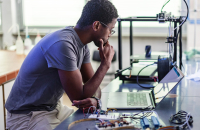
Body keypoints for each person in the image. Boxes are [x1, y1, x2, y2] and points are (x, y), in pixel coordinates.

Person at [5, 0, 118, 129]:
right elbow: (78, 97)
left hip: (52, 109)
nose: (110, 35)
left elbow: (94, 88)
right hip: (27, 115)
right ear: (96, 25)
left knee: (94, 125)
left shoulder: (82, 45)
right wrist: (105, 65)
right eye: (111, 30)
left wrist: (95, 100)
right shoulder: (64, 44)